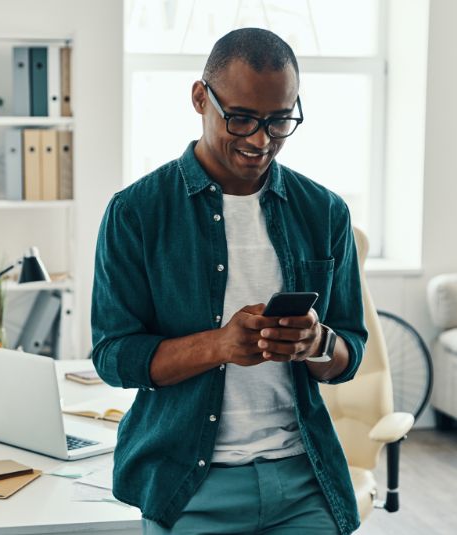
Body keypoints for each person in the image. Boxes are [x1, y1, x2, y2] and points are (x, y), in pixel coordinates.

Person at [91, 27, 368, 535]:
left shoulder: (325, 212)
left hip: (305, 483)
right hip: (189, 487)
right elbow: (113, 356)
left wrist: (317, 341)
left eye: (280, 120)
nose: (261, 140)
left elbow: (350, 351)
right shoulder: (137, 212)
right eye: (241, 118)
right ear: (201, 99)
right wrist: (218, 345)